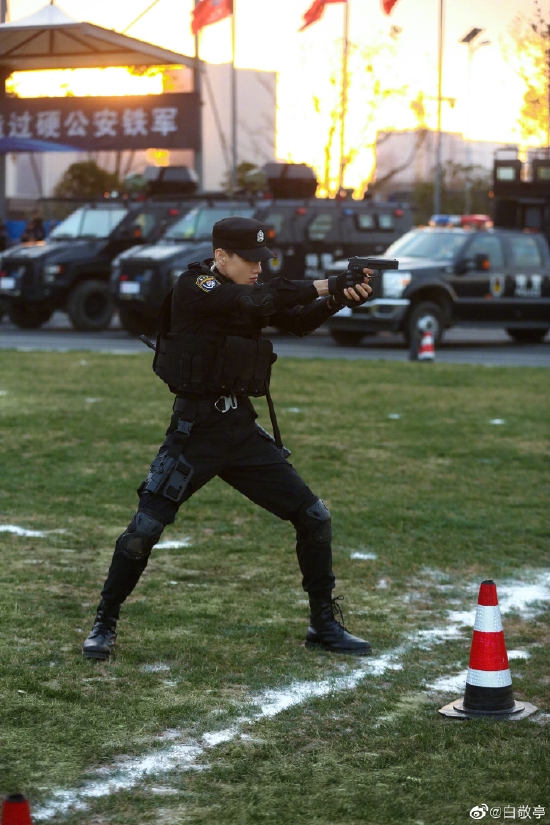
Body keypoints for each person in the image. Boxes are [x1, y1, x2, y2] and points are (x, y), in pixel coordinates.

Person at [82, 217, 373, 661]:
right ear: (222, 257)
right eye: (250, 259)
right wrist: (327, 282)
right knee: (143, 530)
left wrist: (338, 298)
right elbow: (255, 299)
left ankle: (323, 624)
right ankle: (105, 621)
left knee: (314, 517)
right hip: (195, 432)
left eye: (262, 259)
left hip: (239, 429)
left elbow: (295, 321)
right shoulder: (195, 285)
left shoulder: (249, 290)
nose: (259, 267)